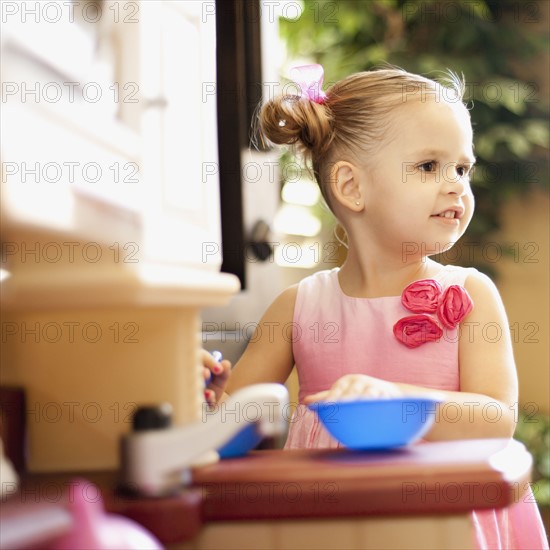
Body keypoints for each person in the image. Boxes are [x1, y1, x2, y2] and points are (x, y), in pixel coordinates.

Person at [202, 65, 548, 549]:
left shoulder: (472, 294)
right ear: (352, 187)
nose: (456, 186)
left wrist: (401, 400)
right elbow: (232, 427)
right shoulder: (296, 308)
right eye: (429, 166)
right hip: (327, 528)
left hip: (442, 526)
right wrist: (211, 393)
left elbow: (496, 418)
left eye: (462, 168)